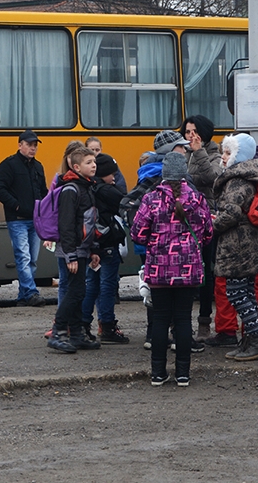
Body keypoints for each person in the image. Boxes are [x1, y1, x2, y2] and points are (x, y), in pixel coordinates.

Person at [131, 152, 212, 386]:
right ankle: (183, 374)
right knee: (184, 319)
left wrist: (156, 241)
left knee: (160, 319)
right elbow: (208, 232)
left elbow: (137, 233)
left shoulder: (151, 199)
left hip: (159, 269)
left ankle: (158, 373)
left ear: (164, 173)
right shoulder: (197, 198)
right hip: (188, 269)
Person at [212, 133, 258, 361]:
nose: (223, 157)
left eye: (228, 153)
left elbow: (231, 213)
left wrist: (212, 225)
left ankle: (257, 340)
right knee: (246, 291)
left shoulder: (237, 180)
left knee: (236, 292)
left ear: (239, 156)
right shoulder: (250, 176)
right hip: (249, 242)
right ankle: (250, 340)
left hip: (238, 244)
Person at [47, 145, 102, 353]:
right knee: (76, 291)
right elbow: (67, 224)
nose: (94, 165)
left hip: (82, 249)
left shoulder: (87, 186)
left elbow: (90, 221)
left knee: (79, 291)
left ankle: (77, 334)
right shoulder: (71, 189)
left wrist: (93, 249)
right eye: (89, 162)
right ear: (76, 167)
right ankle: (58, 332)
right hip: (72, 250)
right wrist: (70, 255)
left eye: (94, 161)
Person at [0, 129, 49, 307]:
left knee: (32, 259)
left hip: (35, 219)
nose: (33, 148)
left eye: (35, 145)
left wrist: (45, 208)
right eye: (29, 145)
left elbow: (43, 191)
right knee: (24, 257)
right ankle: (31, 293)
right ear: (20, 145)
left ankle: (23, 297)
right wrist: (15, 205)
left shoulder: (38, 167)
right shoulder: (9, 165)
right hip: (17, 219)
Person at [181, 116, 224, 341]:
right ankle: (181, 323)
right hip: (184, 219)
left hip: (205, 219)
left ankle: (204, 321)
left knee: (206, 271)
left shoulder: (215, 155)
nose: (191, 136)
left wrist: (199, 153)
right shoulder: (182, 153)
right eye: (187, 131)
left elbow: (213, 178)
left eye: (195, 131)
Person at [83, 153, 129, 344]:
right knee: (108, 285)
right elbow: (124, 201)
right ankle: (108, 325)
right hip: (107, 244)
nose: (114, 178)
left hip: (92, 245)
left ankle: (83, 324)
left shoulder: (89, 187)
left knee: (91, 285)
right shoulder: (107, 191)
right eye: (112, 174)